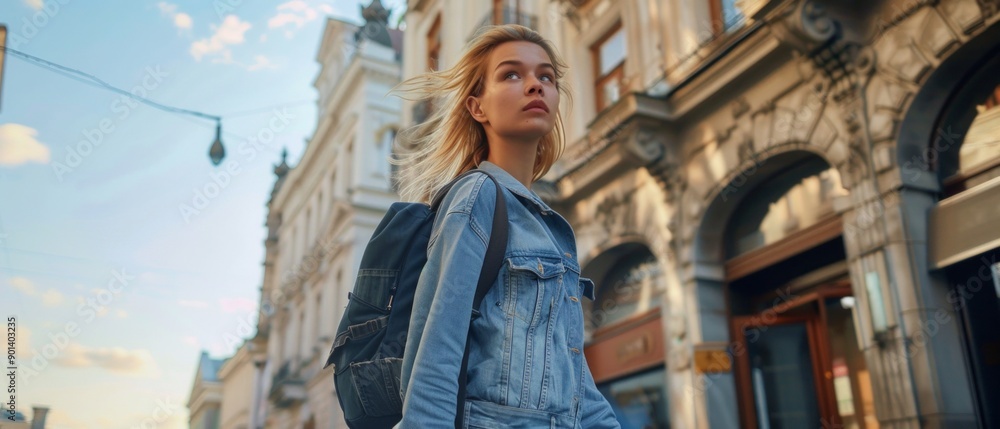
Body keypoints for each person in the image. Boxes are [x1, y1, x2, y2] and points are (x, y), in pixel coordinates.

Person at [390, 24, 621, 428]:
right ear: (477, 107)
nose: (535, 86)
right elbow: (434, 362)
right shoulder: (477, 197)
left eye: (545, 76)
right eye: (511, 74)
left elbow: (577, 385)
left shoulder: (546, 226)